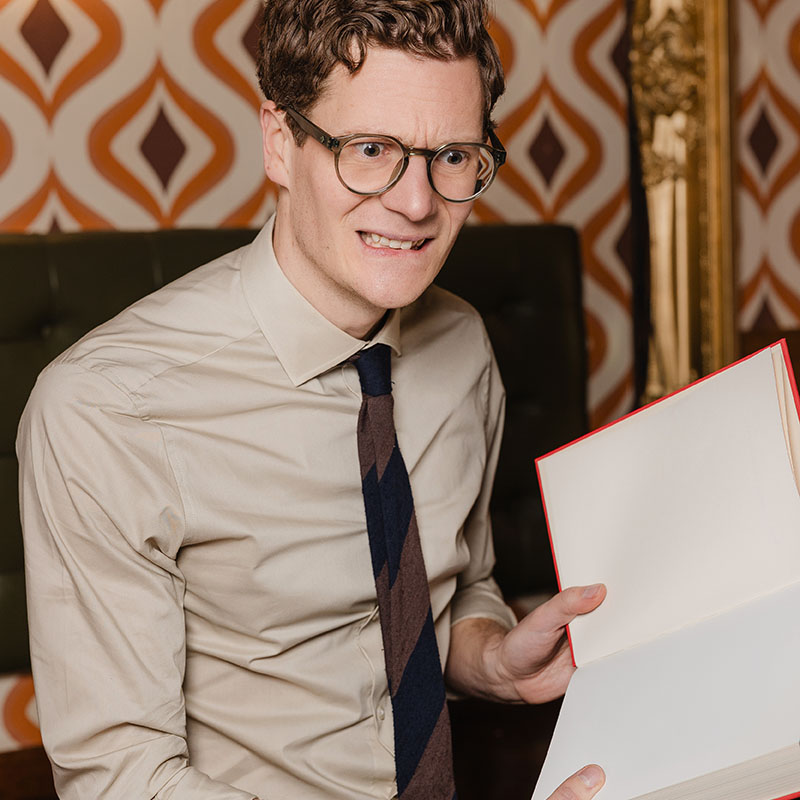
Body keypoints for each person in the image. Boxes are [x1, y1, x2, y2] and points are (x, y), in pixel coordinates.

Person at [17, 1, 606, 798]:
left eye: (454, 156)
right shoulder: (108, 408)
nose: (418, 203)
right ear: (280, 142)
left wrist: (490, 657)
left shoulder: (463, 345)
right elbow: (123, 781)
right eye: (371, 150)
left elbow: (452, 586)